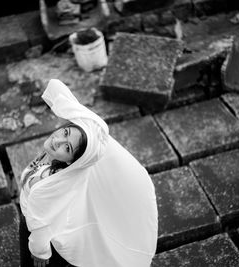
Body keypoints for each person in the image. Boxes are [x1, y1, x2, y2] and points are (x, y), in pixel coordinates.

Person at [19, 79, 158, 267]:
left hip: (40, 235)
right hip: (32, 216)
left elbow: (42, 227)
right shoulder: (54, 153)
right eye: (65, 132)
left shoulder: (52, 187)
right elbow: (59, 91)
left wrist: (40, 253)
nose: (58, 140)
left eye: (67, 147)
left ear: (70, 161)